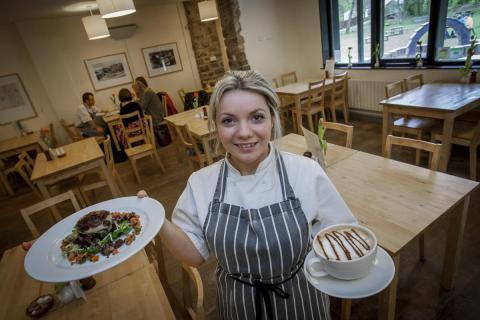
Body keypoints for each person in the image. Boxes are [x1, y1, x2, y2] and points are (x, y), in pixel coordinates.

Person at [138, 70, 357, 319]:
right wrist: (158, 220)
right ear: (216, 127)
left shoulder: (305, 171)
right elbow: (195, 255)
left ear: (272, 120)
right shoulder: (201, 183)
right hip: (239, 305)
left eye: (256, 117)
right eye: (228, 120)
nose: (243, 132)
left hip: (302, 298)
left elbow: (341, 235)